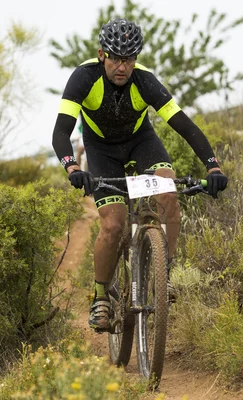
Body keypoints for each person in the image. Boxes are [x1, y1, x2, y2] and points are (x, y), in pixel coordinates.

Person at [51, 18, 228, 332]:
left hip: (140, 143)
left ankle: (164, 275)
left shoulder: (144, 80)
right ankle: (102, 296)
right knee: (113, 224)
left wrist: (212, 165)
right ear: (102, 53)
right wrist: (73, 167)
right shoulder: (83, 77)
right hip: (101, 150)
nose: (123, 66)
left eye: (129, 59)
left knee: (169, 195)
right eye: (117, 58)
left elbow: (185, 126)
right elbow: (61, 132)